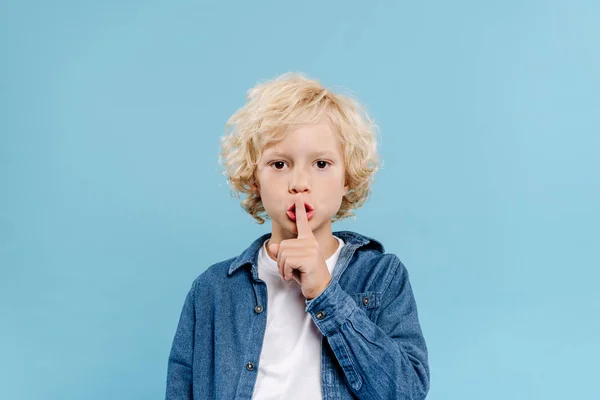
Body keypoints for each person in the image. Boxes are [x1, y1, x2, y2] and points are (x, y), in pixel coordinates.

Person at [165, 73, 430, 399]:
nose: (299, 183)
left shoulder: (381, 276)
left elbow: (406, 392)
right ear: (254, 180)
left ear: (347, 177)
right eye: (279, 164)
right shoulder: (212, 290)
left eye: (321, 163)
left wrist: (325, 291)